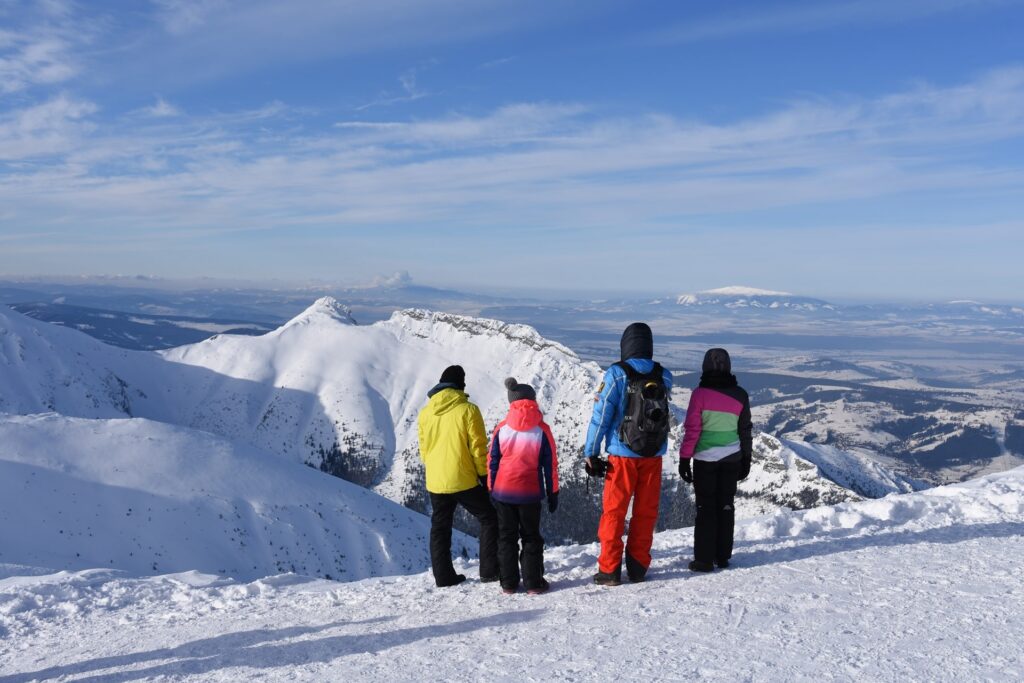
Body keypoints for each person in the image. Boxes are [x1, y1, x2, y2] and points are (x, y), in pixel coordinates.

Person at [583, 322, 673, 586]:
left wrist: (591, 451)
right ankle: (638, 566)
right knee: (645, 513)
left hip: (621, 456)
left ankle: (610, 570)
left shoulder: (616, 374)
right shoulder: (664, 375)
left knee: (614, 512)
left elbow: (601, 416)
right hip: (652, 455)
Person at [417, 364, 500, 587]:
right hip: (463, 478)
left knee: (440, 527)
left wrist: (436, 468)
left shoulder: (425, 413)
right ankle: (490, 571)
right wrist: (485, 476)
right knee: (489, 518)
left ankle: (443, 577)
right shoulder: (468, 410)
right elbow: (478, 448)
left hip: (435, 481)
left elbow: (424, 450)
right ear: (460, 384)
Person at [678, 348, 753, 572]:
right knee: (726, 505)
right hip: (731, 459)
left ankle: (703, 559)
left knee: (705, 507)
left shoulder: (699, 394)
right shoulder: (741, 395)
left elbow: (693, 430)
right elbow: (745, 430)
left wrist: (684, 458)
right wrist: (746, 458)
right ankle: (722, 556)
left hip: (705, 460)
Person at [487, 377, 559, 595]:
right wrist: (553, 491)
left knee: (506, 537)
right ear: (533, 401)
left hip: (503, 491)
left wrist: (491, 488)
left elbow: (492, 461)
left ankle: (508, 583)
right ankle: (533, 583)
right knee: (531, 536)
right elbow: (550, 464)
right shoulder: (542, 429)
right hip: (530, 492)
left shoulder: (502, 428)